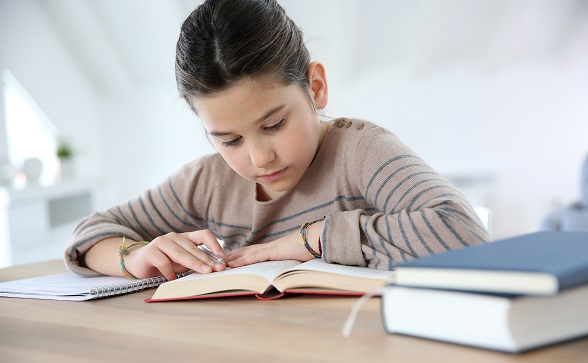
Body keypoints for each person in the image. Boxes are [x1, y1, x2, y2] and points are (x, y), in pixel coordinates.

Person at [64, 0, 490, 280]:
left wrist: (312, 240)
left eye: (273, 125)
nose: (259, 156)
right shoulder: (208, 182)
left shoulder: (361, 152)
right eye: (228, 140)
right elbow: (90, 234)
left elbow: (465, 234)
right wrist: (133, 256)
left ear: (316, 87)